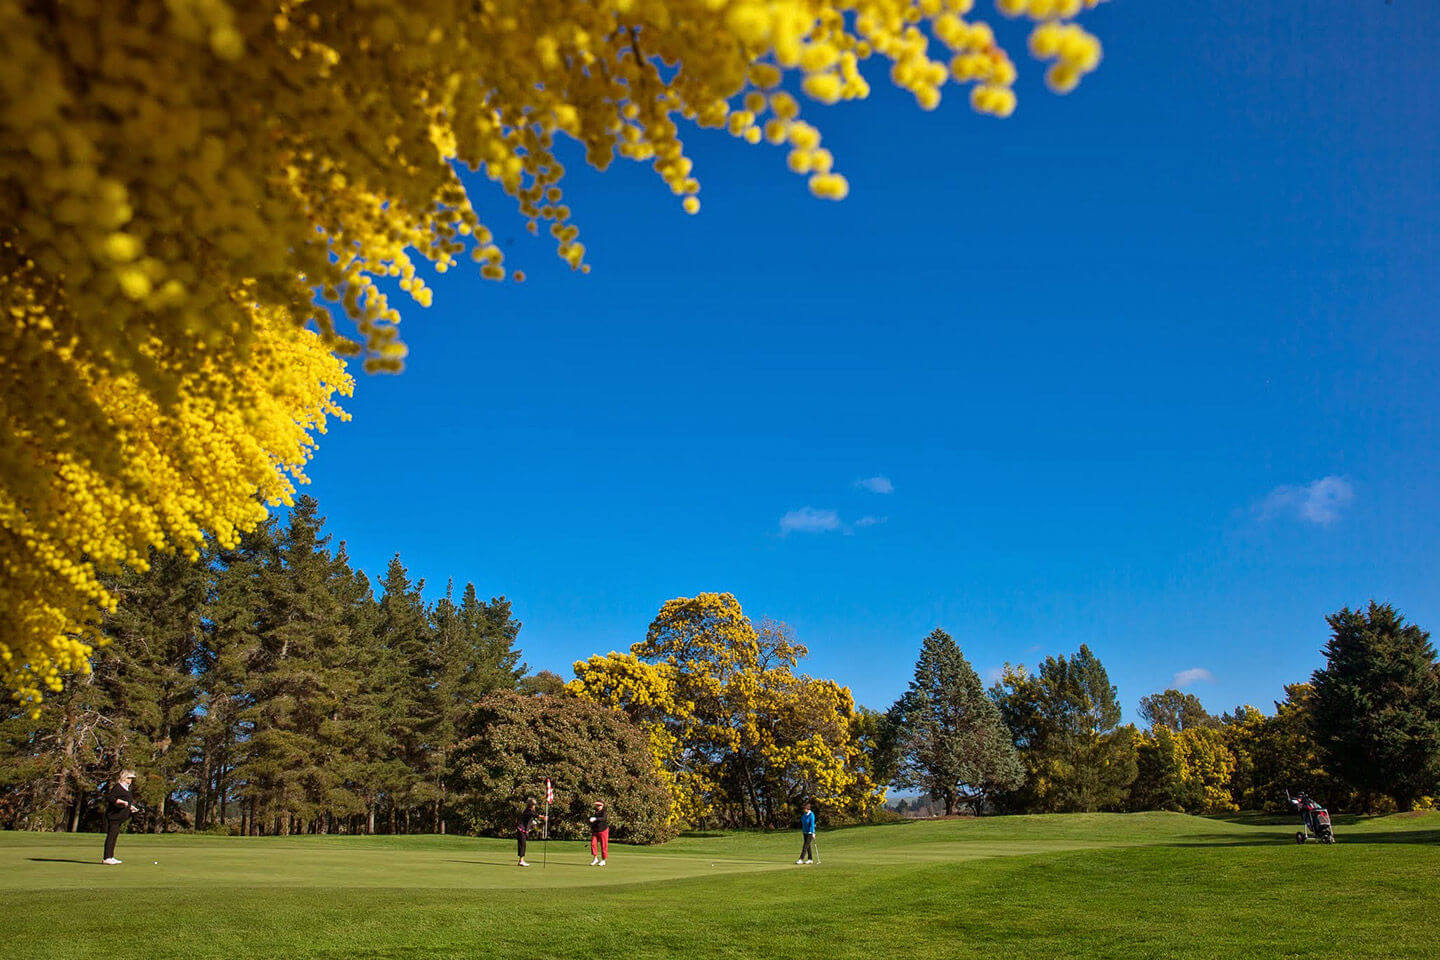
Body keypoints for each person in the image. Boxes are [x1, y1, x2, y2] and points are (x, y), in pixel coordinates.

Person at [103, 770, 137, 865]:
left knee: (114, 837)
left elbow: (127, 801)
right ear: (124, 778)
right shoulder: (118, 787)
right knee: (111, 836)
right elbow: (110, 798)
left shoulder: (126, 788)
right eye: (129, 778)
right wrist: (120, 801)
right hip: (114, 816)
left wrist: (130, 807)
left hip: (120, 817)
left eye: (131, 778)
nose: (131, 780)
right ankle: (107, 858)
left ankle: (110, 856)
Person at [516, 798, 545, 867]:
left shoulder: (529, 811)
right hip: (521, 830)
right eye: (534, 804)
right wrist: (543, 817)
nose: (534, 806)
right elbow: (534, 815)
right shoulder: (528, 811)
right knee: (522, 845)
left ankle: (521, 860)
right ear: (531, 805)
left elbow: (532, 817)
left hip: (523, 830)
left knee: (523, 845)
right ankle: (521, 861)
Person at [588, 800, 609, 866]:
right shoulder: (595, 811)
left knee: (603, 845)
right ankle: (595, 858)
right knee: (593, 844)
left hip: (603, 830)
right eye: (597, 805)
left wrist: (595, 819)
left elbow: (603, 818)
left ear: (602, 805)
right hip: (595, 831)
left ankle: (603, 860)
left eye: (599, 805)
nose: (598, 806)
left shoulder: (604, 811)